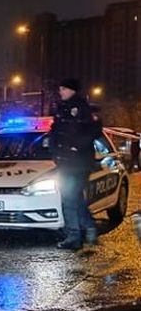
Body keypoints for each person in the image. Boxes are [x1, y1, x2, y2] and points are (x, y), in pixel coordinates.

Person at [48, 78, 102, 250]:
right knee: (75, 198)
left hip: (79, 162)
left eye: (63, 89)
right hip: (65, 162)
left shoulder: (83, 109)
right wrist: (54, 150)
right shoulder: (61, 109)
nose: (60, 92)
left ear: (72, 90)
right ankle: (89, 227)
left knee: (70, 198)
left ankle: (74, 236)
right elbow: (55, 131)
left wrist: (76, 146)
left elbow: (95, 130)